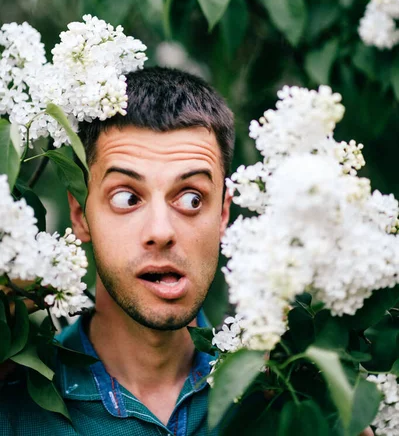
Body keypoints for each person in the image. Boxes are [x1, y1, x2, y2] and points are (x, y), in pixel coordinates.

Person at [0, 67, 375, 436]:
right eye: (127, 198)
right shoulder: (14, 405)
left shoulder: (289, 403)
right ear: (81, 215)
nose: (160, 232)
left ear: (224, 214)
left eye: (192, 199)